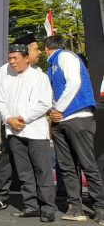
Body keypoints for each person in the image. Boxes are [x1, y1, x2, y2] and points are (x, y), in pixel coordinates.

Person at [44, 35, 104, 224]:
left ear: (47, 48)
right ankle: (75, 207)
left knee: (87, 165)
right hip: (60, 120)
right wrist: (52, 111)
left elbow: (75, 83)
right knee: (67, 167)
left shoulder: (65, 56)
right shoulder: (51, 67)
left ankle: (100, 208)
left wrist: (59, 109)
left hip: (77, 117)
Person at [0, 44, 56, 223]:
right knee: (24, 172)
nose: (12, 62)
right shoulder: (7, 80)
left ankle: (48, 208)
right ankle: (31, 206)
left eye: (15, 58)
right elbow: (0, 102)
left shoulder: (40, 77)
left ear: (26, 58)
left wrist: (23, 119)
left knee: (42, 170)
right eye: (10, 58)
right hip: (14, 131)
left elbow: (45, 103)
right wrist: (8, 118)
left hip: (35, 132)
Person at [0, 33, 41, 212]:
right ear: (25, 52)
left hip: (32, 125)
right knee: (8, 159)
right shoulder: (5, 70)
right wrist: (8, 119)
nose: (39, 52)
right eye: (35, 49)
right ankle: (1, 195)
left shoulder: (38, 73)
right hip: (10, 124)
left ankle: (36, 199)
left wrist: (27, 118)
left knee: (36, 161)